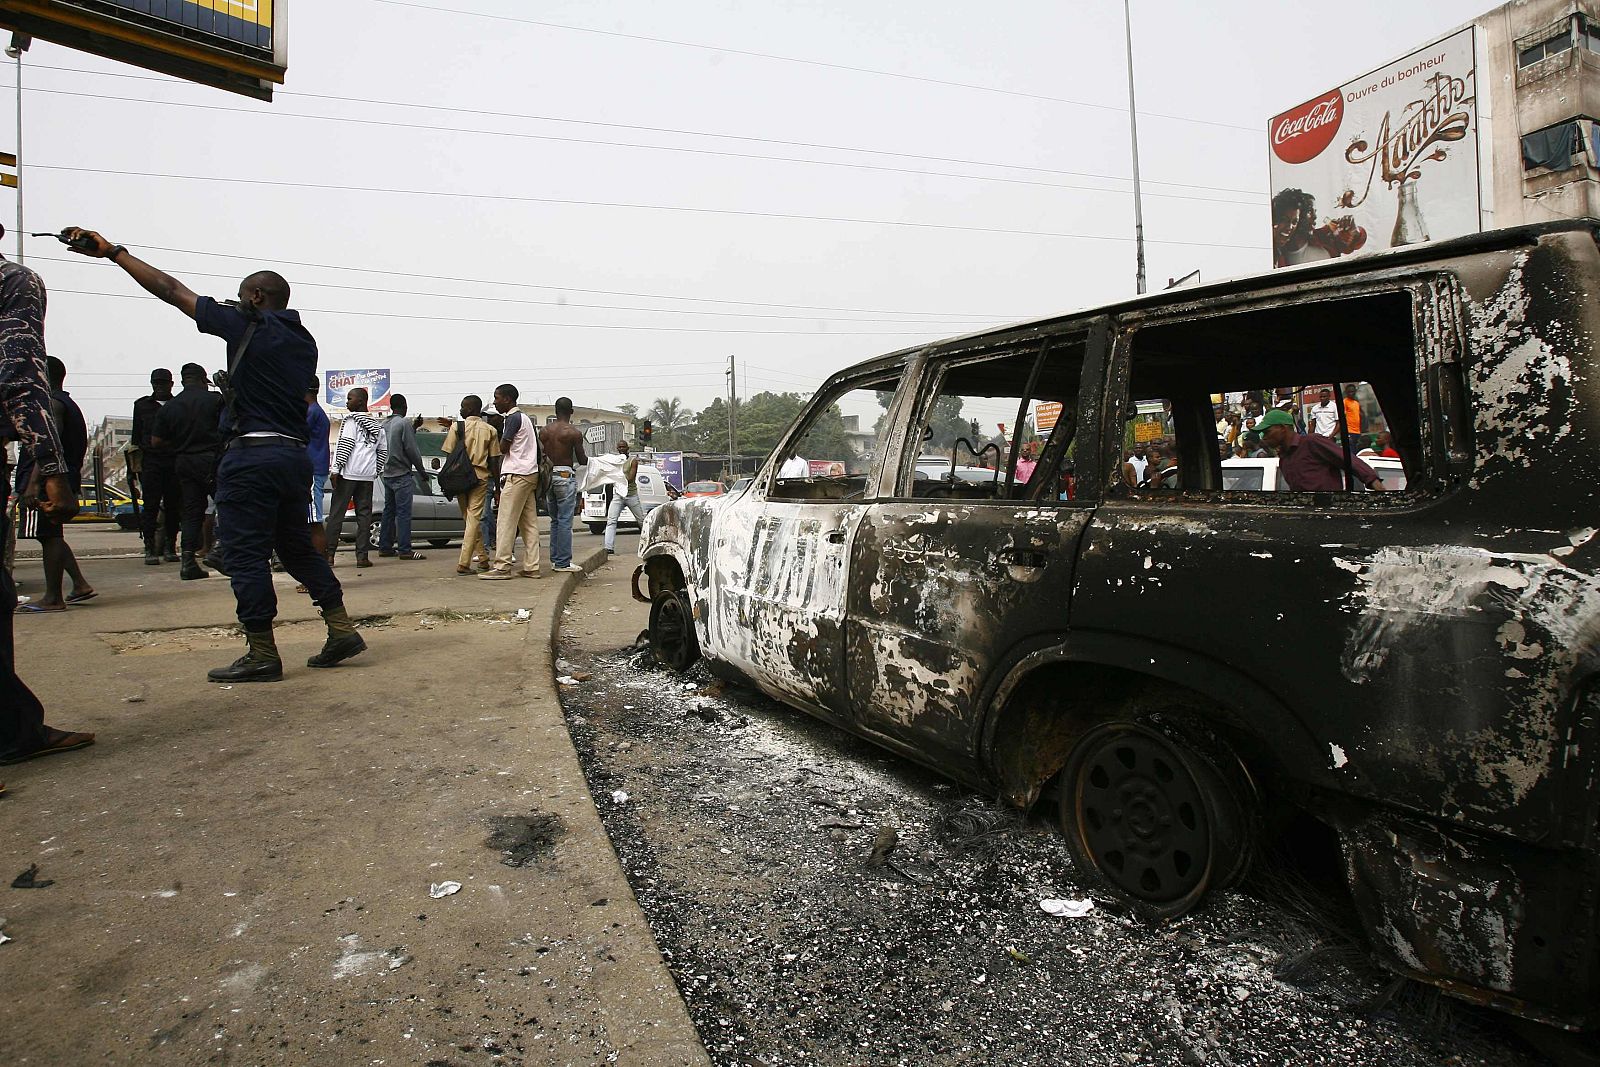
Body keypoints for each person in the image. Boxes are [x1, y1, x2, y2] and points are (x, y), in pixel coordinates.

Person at [64, 226, 366, 681]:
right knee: (297, 550)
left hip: (251, 457)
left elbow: (170, 290)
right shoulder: (304, 340)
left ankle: (262, 653)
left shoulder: (247, 322)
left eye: (243, 295)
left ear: (258, 296)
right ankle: (340, 629)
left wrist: (114, 253)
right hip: (291, 459)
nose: (237, 301)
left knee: (244, 554)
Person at [0, 231, 95, 770]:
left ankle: (14, 727)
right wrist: (51, 469)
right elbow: (18, 375)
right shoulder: (14, 282)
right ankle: (14, 732)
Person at [14, 357, 95, 612]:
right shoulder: (66, 403)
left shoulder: (52, 405)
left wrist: (32, 484)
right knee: (51, 535)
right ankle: (79, 584)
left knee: (48, 536)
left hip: (48, 482)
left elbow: (50, 445)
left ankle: (53, 597)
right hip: (58, 479)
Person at [152, 362, 225, 580]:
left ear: (183, 381)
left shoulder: (169, 407)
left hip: (184, 462)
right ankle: (220, 550)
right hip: (213, 460)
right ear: (203, 380)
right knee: (227, 504)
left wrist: (179, 446)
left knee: (192, 513)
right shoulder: (215, 401)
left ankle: (188, 561)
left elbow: (156, 441)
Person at [482, 383, 542, 579]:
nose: (495, 402)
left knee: (506, 521)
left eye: (497, 398)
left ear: (507, 399)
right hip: (530, 473)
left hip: (516, 474)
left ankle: (502, 566)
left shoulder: (512, 418)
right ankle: (532, 566)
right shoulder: (524, 418)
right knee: (529, 523)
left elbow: (504, 448)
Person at [326, 387, 386, 569]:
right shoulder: (378, 426)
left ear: (360, 401)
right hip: (367, 477)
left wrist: (335, 469)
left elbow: (345, 446)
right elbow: (383, 451)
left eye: (350, 398)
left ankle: (329, 556)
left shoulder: (351, 422)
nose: (347, 402)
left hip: (349, 474)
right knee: (364, 516)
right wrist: (375, 470)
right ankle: (362, 557)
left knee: (336, 515)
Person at [1257, 408, 1386, 492]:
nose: (1265, 437)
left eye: (1267, 432)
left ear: (1282, 428)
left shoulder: (1311, 442)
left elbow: (1348, 459)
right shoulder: (1284, 459)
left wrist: (1374, 482)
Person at [442, 394, 499, 576]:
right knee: (473, 519)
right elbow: (494, 461)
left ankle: (468, 562)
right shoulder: (490, 430)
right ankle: (479, 559)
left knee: (469, 519)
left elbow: (449, 455)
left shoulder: (456, 427)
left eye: (463, 407)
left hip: (459, 478)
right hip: (480, 477)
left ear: (472, 409)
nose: (460, 410)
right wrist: (497, 486)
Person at [130, 367, 180, 565]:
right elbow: (136, 438)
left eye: (163, 383)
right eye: (156, 383)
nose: (159, 387)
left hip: (173, 460)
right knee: (150, 506)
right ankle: (149, 546)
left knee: (173, 507)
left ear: (170, 384)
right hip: (151, 462)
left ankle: (170, 546)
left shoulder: (178, 405)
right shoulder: (142, 406)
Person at [539, 397, 588, 574]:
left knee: (554, 521)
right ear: (571, 412)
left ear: (555, 410)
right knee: (565, 521)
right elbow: (582, 459)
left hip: (548, 476)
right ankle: (563, 562)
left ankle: (555, 560)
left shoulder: (544, 431)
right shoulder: (573, 433)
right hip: (565, 475)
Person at [377, 392, 428, 561]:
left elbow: (392, 443)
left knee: (388, 511)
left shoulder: (384, 423)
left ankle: (385, 546)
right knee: (404, 513)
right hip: (401, 473)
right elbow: (411, 449)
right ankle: (405, 549)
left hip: (387, 474)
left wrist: (414, 428)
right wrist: (421, 471)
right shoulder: (403, 422)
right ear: (404, 406)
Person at [1271, 188, 1367, 267]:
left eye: (1315, 212)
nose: (1315, 216)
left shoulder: (1325, 236)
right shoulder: (1278, 252)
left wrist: (1354, 230)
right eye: (1310, 211)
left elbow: (1354, 243)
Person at [595, 440, 646, 555]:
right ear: (617, 449)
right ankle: (609, 548)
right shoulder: (615, 462)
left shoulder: (632, 461)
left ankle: (648, 544)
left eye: (624, 447)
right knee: (611, 521)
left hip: (631, 495)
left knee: (641, 521)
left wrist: (614, 477)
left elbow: (630, 478)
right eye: (620, 447)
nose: (622, 449)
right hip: (618, 495)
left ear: (628, 448)